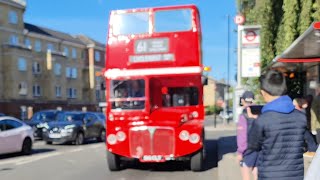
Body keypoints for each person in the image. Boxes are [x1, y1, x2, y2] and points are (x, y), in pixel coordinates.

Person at [248, 70, 310, 180]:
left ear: (263, 93)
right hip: (295, 176)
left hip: (269, 175)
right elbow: (309, 144)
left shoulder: (262, 120)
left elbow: (253, 146)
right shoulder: (301, 117)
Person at [237, 91, 258, 180]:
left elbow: (242, 136)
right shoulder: (259, 112)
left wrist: (240, 152)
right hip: (259, 147)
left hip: (247, 148)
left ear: (242, 100)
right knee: (256, 170)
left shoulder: (244, 115)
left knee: (245, 171)